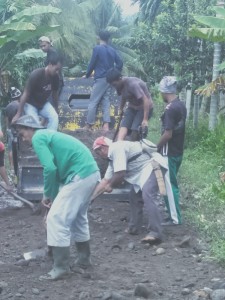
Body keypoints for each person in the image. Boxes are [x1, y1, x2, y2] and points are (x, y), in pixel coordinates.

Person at [14, 115, 100, 280]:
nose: (24, 139)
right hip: (90, 172)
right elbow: (58, 171)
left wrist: (48, 195)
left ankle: (61, 267)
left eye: (22, 134)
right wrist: (53, 197)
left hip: (80, 173)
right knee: (78, 218)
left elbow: (50, 169)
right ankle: (83, 259)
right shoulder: (48, 136)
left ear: (30, 128)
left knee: (56, 219)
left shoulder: (39, 137)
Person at [91, 136, 169, 244]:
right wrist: (91, 198)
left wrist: (111, 186)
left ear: (103, 148)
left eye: (98, 152)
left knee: (148, 195)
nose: (99, 155)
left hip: (154, 164)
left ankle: (156, 233)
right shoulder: (112, 160)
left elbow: (120, 174)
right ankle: (134, 227)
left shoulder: (116, 148)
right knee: (134, 196)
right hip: (143, 171)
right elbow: (105, 181)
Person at [157, 76, 187, 225]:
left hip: (169, 153)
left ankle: (175, 219)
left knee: (169, 185)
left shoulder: (170, 109)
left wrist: (157, 148)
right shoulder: (181, 105)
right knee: (171, 183)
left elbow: (168, 134)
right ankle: (172, 215)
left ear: (164, 91)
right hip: (178, 150)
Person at [84, 30, 123, 131]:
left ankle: (89, 124)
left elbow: (92, 63)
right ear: (108, 39)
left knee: (93, 101)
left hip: (100, 78)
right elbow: (120, 63)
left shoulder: (97, 48)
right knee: (106, 100)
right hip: (109, 79)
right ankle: (106, 124)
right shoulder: (112, 50)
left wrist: (87, 74)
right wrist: (114, 73)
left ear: (98, 37)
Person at [12, 54, 62, 130]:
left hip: (43, 103)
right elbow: (25, 94)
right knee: (35, 125)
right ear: (50, 65)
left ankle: (49, 138)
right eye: (56, 69)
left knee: (54, 117)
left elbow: (55, 94)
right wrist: (18, 114)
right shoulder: (36, 74)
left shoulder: (55, 78)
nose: (57, 72)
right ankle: (37, 140)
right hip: (30, 104)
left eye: (59, 70)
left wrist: (56, 108)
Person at [106, 68, 154, 141]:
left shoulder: (133, 84)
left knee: (135, 129)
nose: (114, 87)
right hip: (132, 107)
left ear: (120, 78)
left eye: (114, 84)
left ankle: (133, 145)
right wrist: (121, 109)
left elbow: (145, 100)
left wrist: (145, 119)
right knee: (124, 125)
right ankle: (119, 143)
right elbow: (123, 97)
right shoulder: (118, 86)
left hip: (144, 107)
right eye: (113, 85)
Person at [5, 87, 21, 169]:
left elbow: (7, 121)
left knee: (10, 148)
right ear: (18, 97)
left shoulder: (8, 106)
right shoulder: (20, 105)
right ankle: (19, 164)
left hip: (10, 130)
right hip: (19, 130)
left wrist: (7, 129)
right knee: (20, 147)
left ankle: (11, 166)